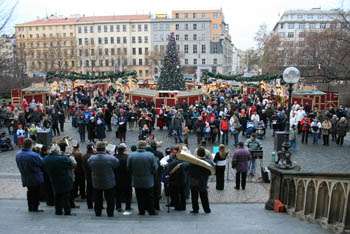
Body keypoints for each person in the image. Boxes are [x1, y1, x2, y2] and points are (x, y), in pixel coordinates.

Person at [88, 141, 119, 217]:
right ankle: (110, 213)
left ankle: (98, 212)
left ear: (97, 149)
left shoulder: (92, 158)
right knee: (110, 199)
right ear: (104, 148)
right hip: (109, 181)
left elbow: (89, 165)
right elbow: (116, 164)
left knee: (97, 198)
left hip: (96, 181)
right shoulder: (110, 158)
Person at [127, 140, 158, 215]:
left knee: (139, 196)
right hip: (148, 179)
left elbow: (128, 167)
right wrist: (152, 173)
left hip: (136, 179)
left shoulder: (131, 155)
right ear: (145, 146)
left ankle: (141, 211)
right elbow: (155, 167)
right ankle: (151, 211)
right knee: (149, 196)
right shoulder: (150, 155)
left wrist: (133, 173)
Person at [43, 144, 75, 215]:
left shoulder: (46, 159)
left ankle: (58, 211)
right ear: (57, 151)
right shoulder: (63, 158)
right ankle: (67, 211)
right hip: (65, 179)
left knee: (57, 195)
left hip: (53, 179)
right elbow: (72, 164)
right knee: (66, 196)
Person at [16, 138, 44, 212]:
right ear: (31, 145)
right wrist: (38, 153)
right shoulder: (34, 155)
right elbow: (42, 163)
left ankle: (30, 207)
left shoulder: (18, 154)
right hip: (35, 177)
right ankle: (35, 207)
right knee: (36, 193)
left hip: (25, 176)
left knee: (30, 191)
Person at [186, 147, 214, 214]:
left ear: (197, 153)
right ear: (204, 153)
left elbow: (188, 171)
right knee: (204, 196)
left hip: (194, 181)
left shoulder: (193, 162)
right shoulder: (208, 162)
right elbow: (211, 171)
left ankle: (195, 209)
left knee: (194, 196)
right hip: (203, 181)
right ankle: (207, 209)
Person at [114, 143, 132, 212]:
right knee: (128, 193)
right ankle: (128, 207)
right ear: (124, 150)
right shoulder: (127, 157)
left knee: (118, 193)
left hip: (117, 178)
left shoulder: (114, 157)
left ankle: (118, 206)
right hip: (127, 178)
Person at [83, 144, 95, 209]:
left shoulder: (84, 156)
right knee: (95, 189)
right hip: (94, 175)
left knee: (89, 189)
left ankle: (89, 205)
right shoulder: (93, 156)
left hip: (87, 175)